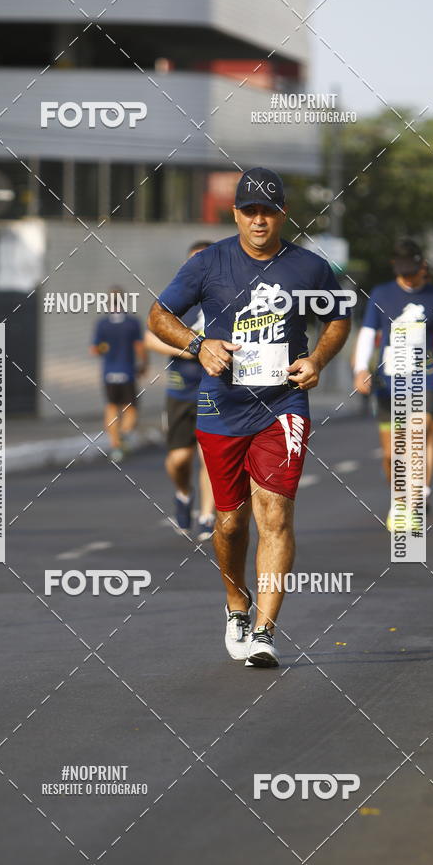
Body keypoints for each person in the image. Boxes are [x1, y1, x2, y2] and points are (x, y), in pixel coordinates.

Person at [147, 167, 351, 668]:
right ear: (235, 213)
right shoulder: (208, 263)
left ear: (284, 214)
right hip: (222, 404)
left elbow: (339, 316)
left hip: (282, 404)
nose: (260, 220)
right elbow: (157, 315)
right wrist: (199, 345)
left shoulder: (309, 268)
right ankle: (237, 605)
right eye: (250, 211)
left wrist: (318, 360)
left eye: (269, 210)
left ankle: (265, 630)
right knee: (230, 522)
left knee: (275, 515)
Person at [353, 239, 433, 528]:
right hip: (388, 383)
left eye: (412, 269)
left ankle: (414, 502)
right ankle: (400, 499)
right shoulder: (380, 294)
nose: (407, 275)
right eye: (402, 270)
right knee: (392, 453)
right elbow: (367, 335)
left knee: (417, 438)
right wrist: (359, 369)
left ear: (421, 266)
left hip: (423, 379)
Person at [145, 242, 216, 541]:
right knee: (179, 460)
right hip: (179, 392)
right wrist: (188, 350)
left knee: (210, 458)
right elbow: (149, 338)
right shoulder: (176, 300)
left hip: (215, 391)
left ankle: (207, 516)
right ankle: (183, 494)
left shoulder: (225, 300)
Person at [90, 289, 147, 462]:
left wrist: (105, 349)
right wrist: (144, 365)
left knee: (111, 407)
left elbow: (94, 350)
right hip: (128, 372)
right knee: (131, 409)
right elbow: (139, 347)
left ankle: (115, 446)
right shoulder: (132, 323)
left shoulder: (102, 323)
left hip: (109, 374)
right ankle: (125, 434)